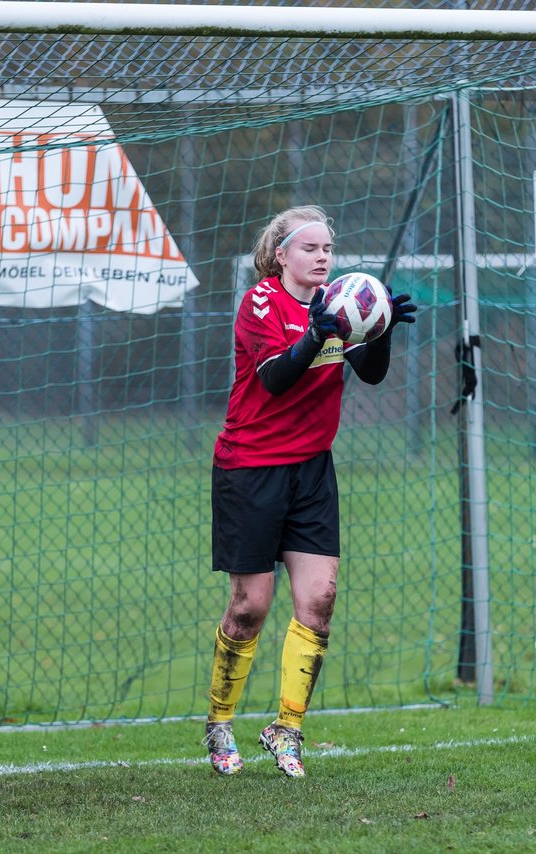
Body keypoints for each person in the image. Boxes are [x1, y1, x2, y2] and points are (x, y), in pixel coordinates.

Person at [202, 205, 417, 778]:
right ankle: (219, 721)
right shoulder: (261, 303)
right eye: (311, 248)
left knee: (319, 601)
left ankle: (286, 728)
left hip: (312, 471)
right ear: (282, 256)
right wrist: (319, 332)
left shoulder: (341, 302)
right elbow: (274, 378)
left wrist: (383, 327)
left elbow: (370, 373)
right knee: (251, 607)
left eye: (328, 248)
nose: (323, 257)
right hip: (251, 469)